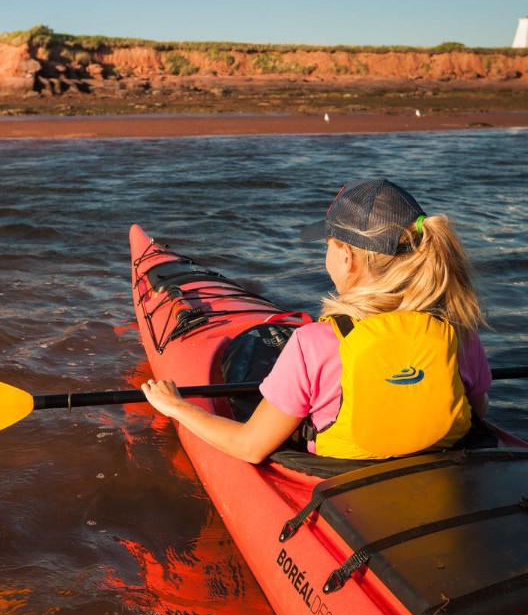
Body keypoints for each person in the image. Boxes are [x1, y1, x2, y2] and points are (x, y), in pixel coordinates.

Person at [140, 178, 490, 464]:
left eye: (327, 244)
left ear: (346, 256)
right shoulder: (458, 330)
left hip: (342, 489)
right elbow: (478, 411)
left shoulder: (315, 342)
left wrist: (176, 406)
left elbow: (249, 447)